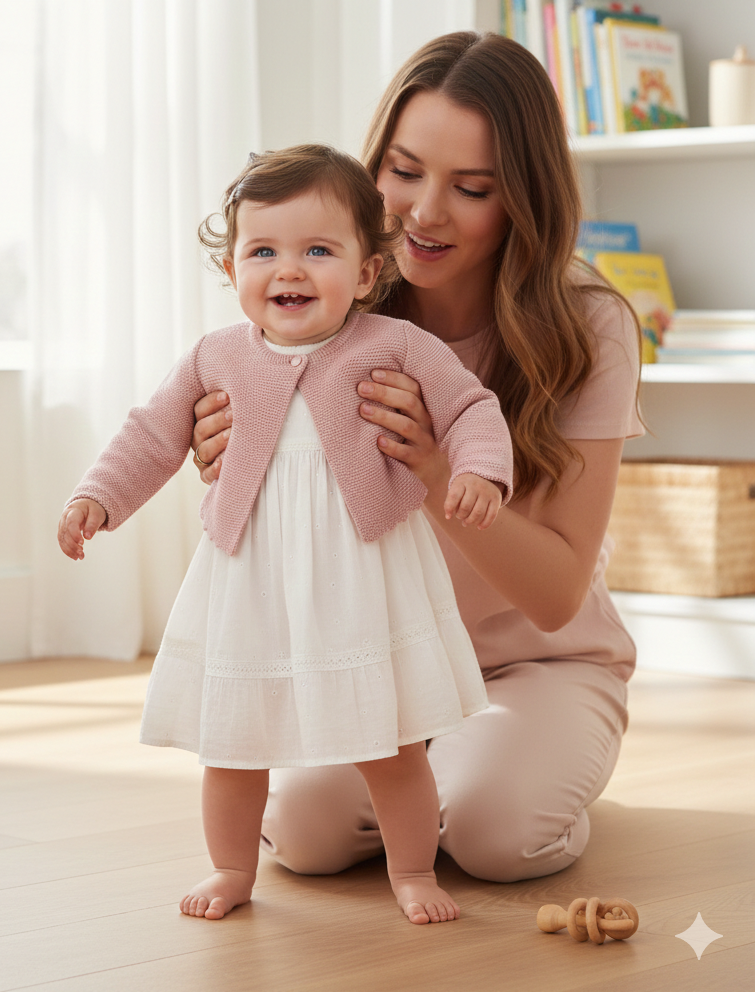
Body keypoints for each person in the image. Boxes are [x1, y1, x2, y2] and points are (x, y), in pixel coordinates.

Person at [189, 32, 643, 885]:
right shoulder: (327, 300)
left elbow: (553, 597)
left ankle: (519, 774)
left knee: (494, 835)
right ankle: (453, 778)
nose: (424, 213)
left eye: (472, 188)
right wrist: (220, 455)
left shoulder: (589, 328)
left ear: (524, 201)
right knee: (306, 834)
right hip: (379, 654)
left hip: (535, 663)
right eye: (402, 172)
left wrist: (435, 471)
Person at [59, 144, 515, 924]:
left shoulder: (394, 346)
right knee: (233, 744)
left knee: (391, 741)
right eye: (263, 251)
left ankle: (411, 872)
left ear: (368, 273)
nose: (289, 270)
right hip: (251, 577)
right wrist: (100, 493)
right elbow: (154, 434)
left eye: (318, 251)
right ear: (231, 268)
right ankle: (232, 869)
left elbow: (472, 407)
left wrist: (478, 471)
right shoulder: (215, 356)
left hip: (362, 575)